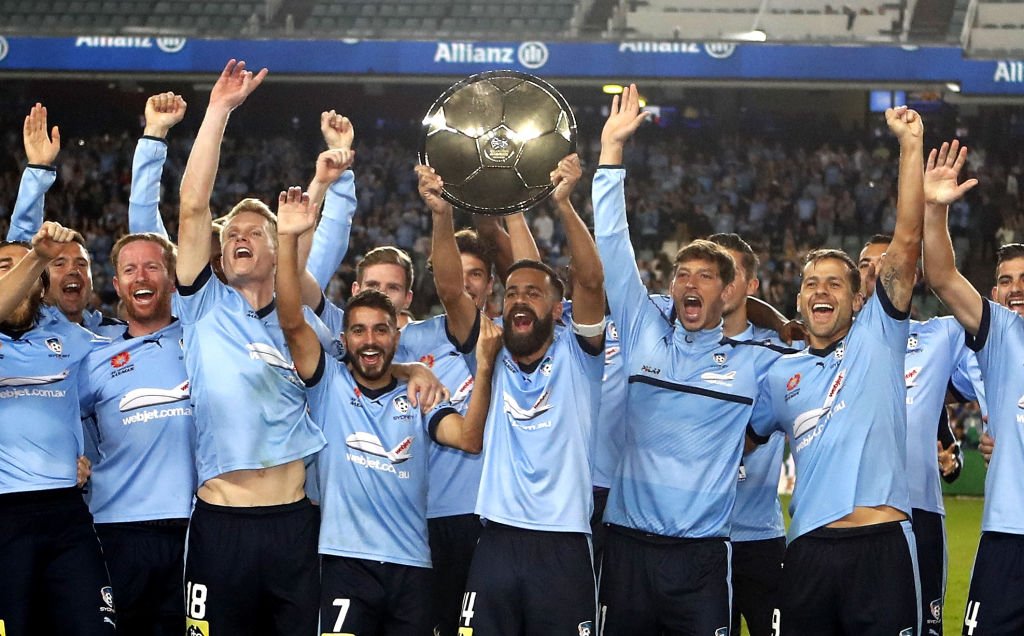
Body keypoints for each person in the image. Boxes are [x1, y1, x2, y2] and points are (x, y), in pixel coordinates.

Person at [592, 85, 780, 635]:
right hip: (627, 546)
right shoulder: (644, 332)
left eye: (704, 276)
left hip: (701, 558)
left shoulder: (757, 363)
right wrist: (612, 154)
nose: (689, 284)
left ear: (728, 294)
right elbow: (614, 247)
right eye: (681, 274)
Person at [275, 184, 500, 634]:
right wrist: (287, 239)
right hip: (344, 559)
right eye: (358, 331)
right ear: (344, 338)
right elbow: (291, 317)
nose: (370, 339)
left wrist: (485, 368)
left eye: (381, 328)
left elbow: (470, 440)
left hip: (412, 561)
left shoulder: (420, 393)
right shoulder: (329, 382)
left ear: (401, 328)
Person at [747, 105, 926, 634]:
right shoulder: (778, 377)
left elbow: (908, 244)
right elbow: (738, 444)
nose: (820, 290)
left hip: (882, 545)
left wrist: (910, 147)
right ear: (799, 300)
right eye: (810, 283)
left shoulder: (880, 336)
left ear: (856, 300)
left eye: (833, 283)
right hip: (808, 551)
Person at [426, 153, 605, 634]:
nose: (519, 298)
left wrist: (565, 205)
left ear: (557, 307)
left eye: (533, 291)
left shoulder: (580, 354)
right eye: (512, 293)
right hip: (498, 540)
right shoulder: (490, 349)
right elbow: (448, 289)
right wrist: (442, 215)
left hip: (564, 542)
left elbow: (590, 279)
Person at [918, 139, 1024, 636]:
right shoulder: (1001, 334)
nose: (1016, 288)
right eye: (1006, 279)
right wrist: (935, 210)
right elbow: (941, 275)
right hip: (1008, 532)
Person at [858, 231, 981, 635]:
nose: (876, 271)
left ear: (910, 273)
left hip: (919, 512)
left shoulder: (940, 337)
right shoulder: (829, 340)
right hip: (847, 516)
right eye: (865, 265)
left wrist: (956, 454)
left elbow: (990, 376)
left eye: (887, 262)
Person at [0, 222, 115, 635]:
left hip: (67, 513)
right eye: (4, 268)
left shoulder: (71, 339)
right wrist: (37, 256)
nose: (18, 277)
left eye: (27, 272)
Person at [79, 232, 193, 636]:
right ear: (117, 285)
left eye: (152, 266)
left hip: (196, 526)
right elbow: (54, 408)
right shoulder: (96, 357)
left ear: (172, 276)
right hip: (118, 529)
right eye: (129, 269)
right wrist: (71, 453)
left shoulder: (202, 340)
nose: (140, 276)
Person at [7, 103, 125, 336]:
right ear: (39, 281)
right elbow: (20, 255)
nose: (73, 270)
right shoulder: (25, 332)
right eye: (59, 264)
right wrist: (38, 169)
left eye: (82, 264)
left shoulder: (118, 336)